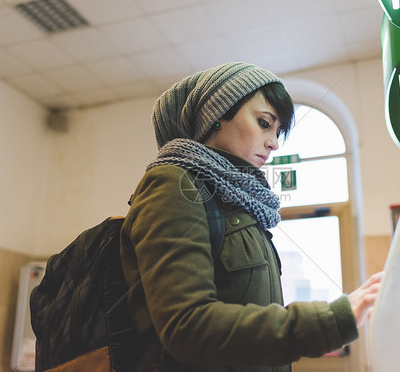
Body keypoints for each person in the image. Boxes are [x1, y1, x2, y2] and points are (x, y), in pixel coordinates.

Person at [120, 62, 381, 371]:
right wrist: (332, 319)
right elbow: (187, 327)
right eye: (263, 122)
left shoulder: (239, 203)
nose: (274, 142)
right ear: (216, 116)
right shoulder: (173, 184)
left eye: (277, 130)